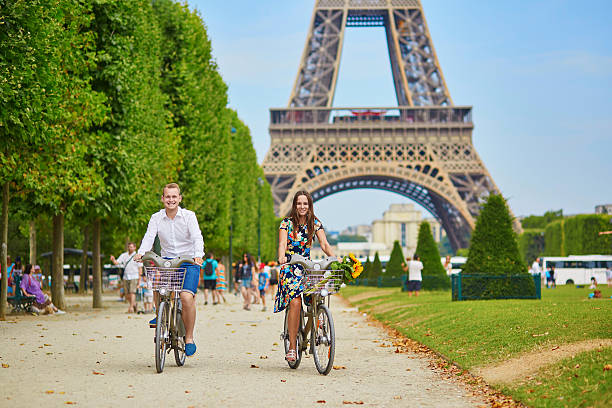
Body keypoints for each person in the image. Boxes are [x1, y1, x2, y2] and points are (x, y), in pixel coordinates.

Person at [134, 182, 204, 357]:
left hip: (188, 260)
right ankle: (161, 316)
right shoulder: (156, 218)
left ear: (179, 198)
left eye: (174, 196)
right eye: (168, 196)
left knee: (186, 297)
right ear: (162, 198)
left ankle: (189, 338)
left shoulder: (189, 216)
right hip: (167, 260)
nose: (171, 200)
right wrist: (141, 253)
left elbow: (197, 237)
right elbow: (149, 237)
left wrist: (198, 255)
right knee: (158, 285)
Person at [275, 190, 335, 363]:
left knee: (317, 296)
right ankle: (292, 346)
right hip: (291, 266)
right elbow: (282, 243)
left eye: (305, 204)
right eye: (299, 203)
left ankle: (318, 324)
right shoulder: (286, 223)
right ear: (294, 205)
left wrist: (335, 259)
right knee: (295, 302)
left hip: (307, 267)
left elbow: (324, 243)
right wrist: (281, 257)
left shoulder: (315, 223)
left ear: (309, 206)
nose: (302, 207)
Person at [110, 242, 142, 313]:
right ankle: (134, 304)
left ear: (134, 248)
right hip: (126, 276)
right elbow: (117, 262)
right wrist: (113, 259)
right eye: (129, 247)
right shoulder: (124, 255)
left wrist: (139, 279)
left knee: (132, 292)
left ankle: (131, 308)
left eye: (131, 247)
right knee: (127, 294)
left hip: (134, 276)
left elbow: (140, 268)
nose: (130, 248)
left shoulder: (137, 256)